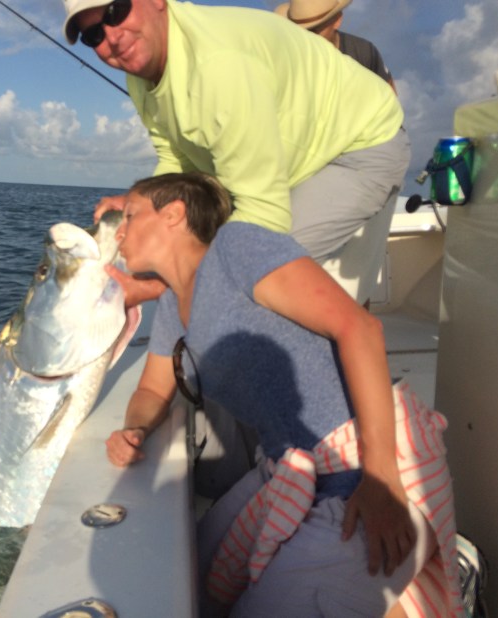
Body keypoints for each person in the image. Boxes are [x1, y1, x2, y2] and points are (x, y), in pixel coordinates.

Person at [106, 171, 461, 617]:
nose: (119, 231)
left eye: (131, 214)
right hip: (292, 469)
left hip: (369, 461)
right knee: (188, 579)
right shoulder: (175, 310)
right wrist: (133, 429)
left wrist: (382, 480)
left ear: (174, 213)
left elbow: (359, 327)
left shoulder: (234, 249)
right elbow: (151, 390)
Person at [61, 0, 410, 306]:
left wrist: (158, 286)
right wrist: (142, 203)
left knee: (256, 264)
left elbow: (264, 217)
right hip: (293, 159)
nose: (112, 37)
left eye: (116, 11)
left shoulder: (218, 64)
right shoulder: (141, 73)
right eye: (94, 35)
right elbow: (175, 159)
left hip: (361, 146)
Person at [275, 0, 396, 90]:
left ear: (337, 21)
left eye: (314, 30)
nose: (307, 37)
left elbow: (390, 100)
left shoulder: (364, 52)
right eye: (299, 31)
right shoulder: (284, 59)